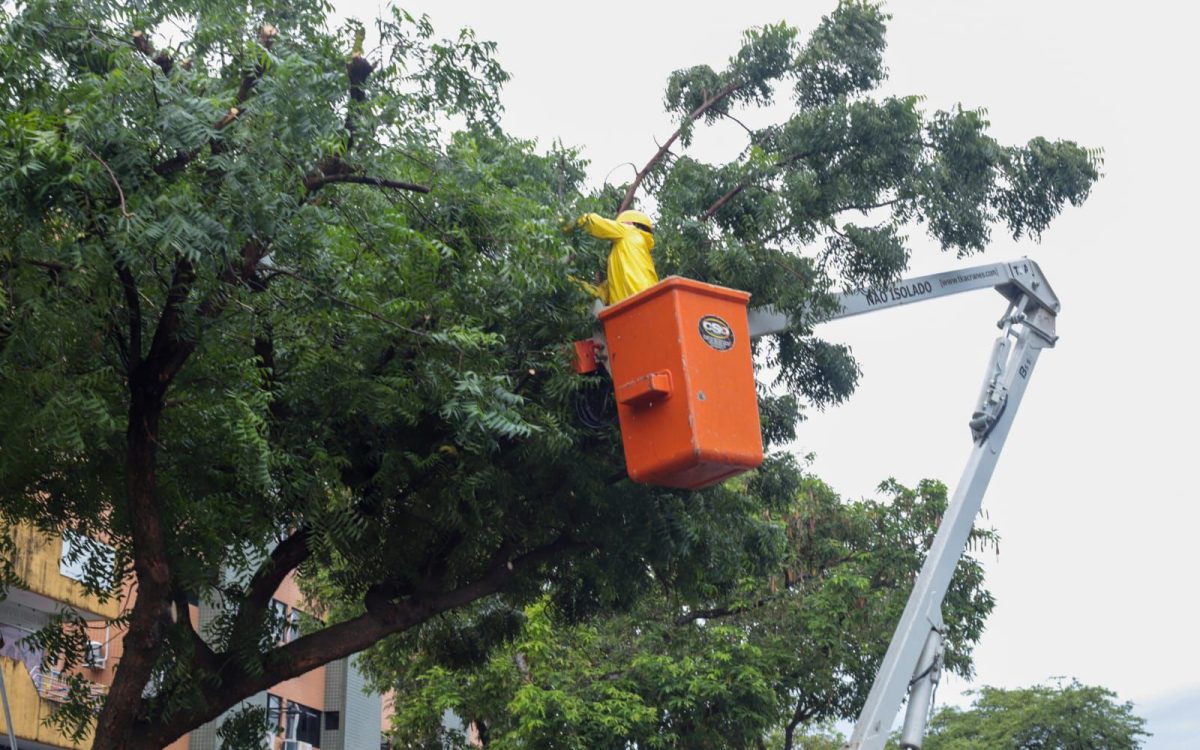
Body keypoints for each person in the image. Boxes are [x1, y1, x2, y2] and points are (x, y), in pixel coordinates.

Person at [570, 210, 659, 305]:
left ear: (630, 223)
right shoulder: (637, 255)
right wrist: (572, 282)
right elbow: (600, 294)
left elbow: (594, 223)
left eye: (619, 224)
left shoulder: (629, 231)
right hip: (651, 303)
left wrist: (572, 223)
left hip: (636, 301)